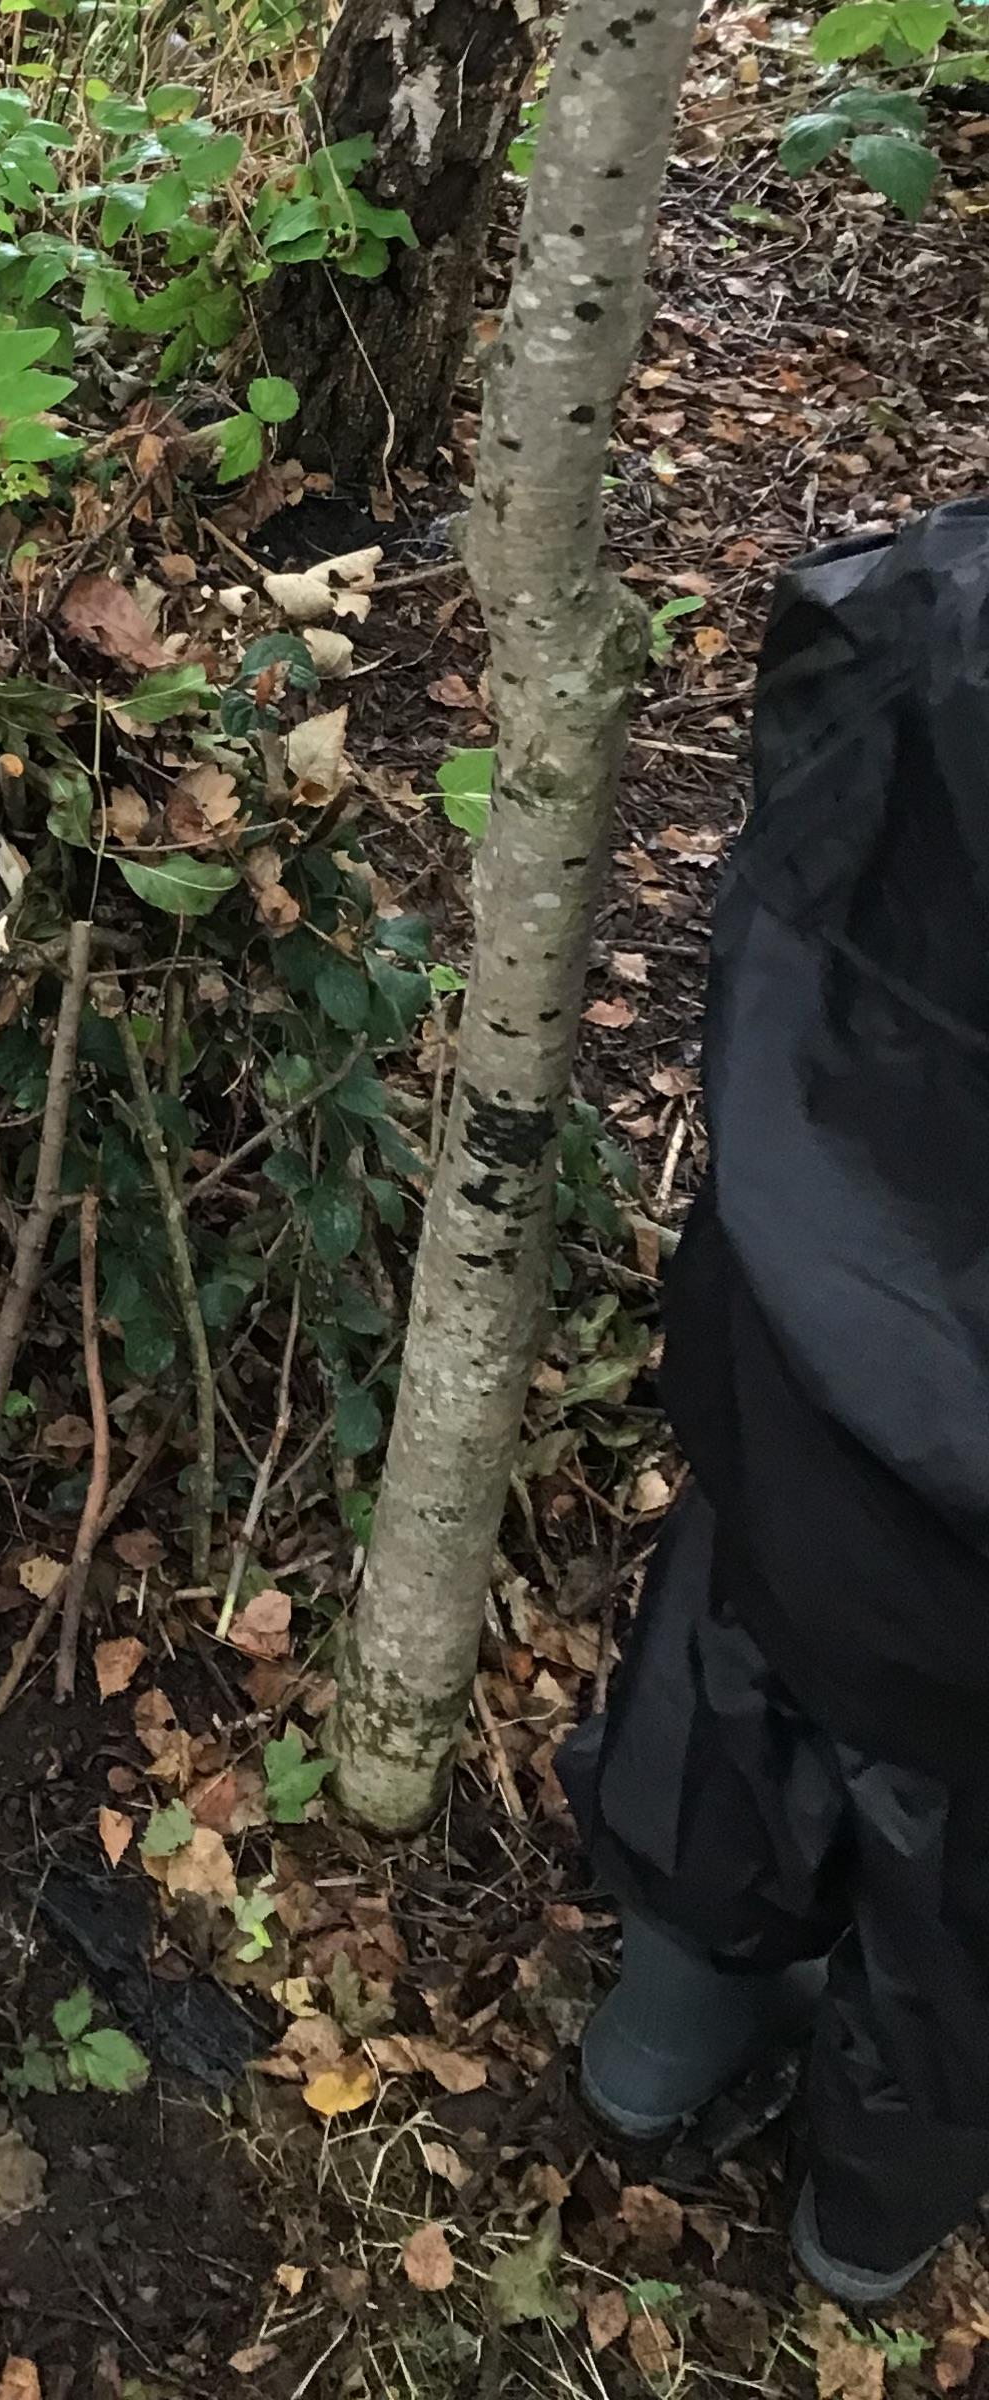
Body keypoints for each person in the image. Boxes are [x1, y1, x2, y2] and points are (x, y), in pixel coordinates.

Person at [562, 502, 989, 2308]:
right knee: (957, 1904)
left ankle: (656, 2053)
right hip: (880, 1419)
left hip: (808, 1370)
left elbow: (797, 826)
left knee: (741, 1694)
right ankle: (861, 2231)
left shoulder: (927, 608)